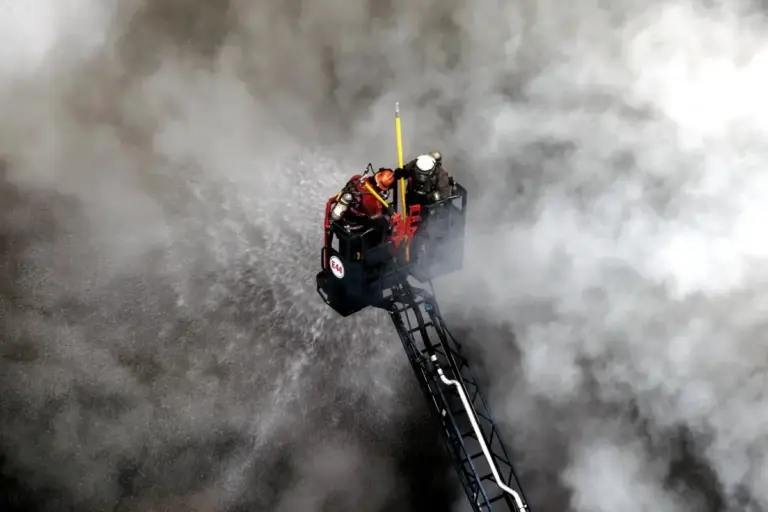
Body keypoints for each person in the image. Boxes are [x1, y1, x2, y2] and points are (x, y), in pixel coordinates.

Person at [330, 167, 396, 235]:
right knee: (384, 223)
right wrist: (388, 211)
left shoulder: (357, 178)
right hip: (355, 223)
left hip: (347, 211)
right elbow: (376, 216)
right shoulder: (370, 200)